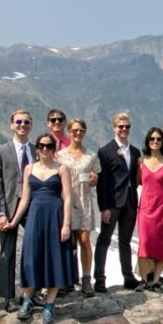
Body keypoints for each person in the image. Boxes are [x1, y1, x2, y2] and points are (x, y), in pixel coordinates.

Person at [4, 134, 74, 324]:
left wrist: (66, 224)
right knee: (31, 257)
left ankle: (49, 305)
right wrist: (14, 221)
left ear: (54, 148)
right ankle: (27, 299)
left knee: (54, 257)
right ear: (37, 148)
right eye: (41, 145)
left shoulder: (62, 168)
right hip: (35, 216)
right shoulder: (29, 169)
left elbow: (67, 197)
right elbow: (25, 198)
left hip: (55, 216)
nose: (45, 149)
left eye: (48, 145)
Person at [0, 109, 36, 312]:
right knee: (7, 252)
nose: (22, 125)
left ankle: (32, 293)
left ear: (31, 125)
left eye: (26, 122)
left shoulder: (37, 150)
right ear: (11, 124)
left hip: (33, 205)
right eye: (18, 122)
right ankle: (8, 297)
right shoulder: (0, 151)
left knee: (34, 250)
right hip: (8, 206)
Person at [96, 112, 142, 291]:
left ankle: (128, 276)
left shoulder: (136, 151)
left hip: (130, 201)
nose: (124, 129)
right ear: (114, 127)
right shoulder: (105, 151)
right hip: (113, 202)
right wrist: (104, 207)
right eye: (120, 126)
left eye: (127, 127)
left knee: (125, 240)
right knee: (104, 239)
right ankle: (99, 279)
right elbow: (102, 182)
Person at [56, 118, 102, 297]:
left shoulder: (91, 156)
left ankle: (86, 279)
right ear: (69, 132)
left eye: (81, 130)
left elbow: (95, 177)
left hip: (84, 200)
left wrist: (94, 180)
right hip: (65, 200)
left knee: (84, 240)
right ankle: (65, 280)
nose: (77, 133)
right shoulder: (59, 155)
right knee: (67, 242)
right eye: (74, 130)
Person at [137, 127, 163, 289]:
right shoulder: (141, 161)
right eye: (152, 139)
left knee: (161, 244)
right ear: (148, 141)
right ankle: (144, 280)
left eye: (159, 139)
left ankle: (157, 280)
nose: (155, 141)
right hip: (145, 207)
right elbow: (138, 182)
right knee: (144, 244)